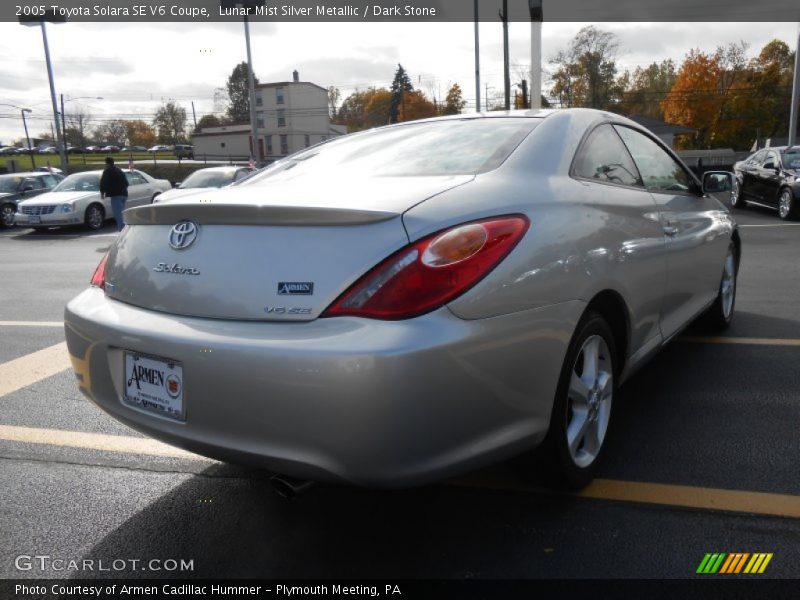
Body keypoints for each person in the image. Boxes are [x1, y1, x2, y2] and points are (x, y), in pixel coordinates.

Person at [99, 157, 129, 231]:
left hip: (116, 195)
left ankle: (122, 230)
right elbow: (126, 183)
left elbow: (104, 182)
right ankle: (124, 228)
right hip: (124, 194)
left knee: (118, 214)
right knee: (122, 213)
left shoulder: (107, 171)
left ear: (106, 163)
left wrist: (102, 192)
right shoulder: (119, 170)